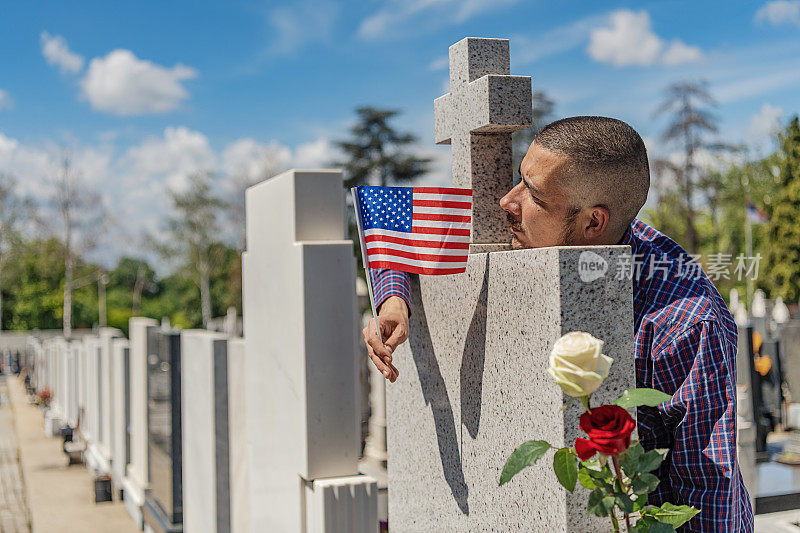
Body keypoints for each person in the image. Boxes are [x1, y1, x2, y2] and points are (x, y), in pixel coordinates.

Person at [361, 116, 753, 531]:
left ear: (593, 224)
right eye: (519, 179)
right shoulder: (542, 230)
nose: (506, 203)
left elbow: (707, 489)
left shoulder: (685, 323)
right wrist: (393, 298)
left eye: (533, 195)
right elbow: (412, 230)